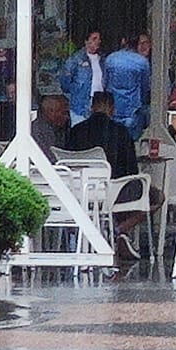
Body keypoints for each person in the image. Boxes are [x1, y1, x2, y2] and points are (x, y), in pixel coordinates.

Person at [63, 89, 154, 263]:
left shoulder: (76, 131)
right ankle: (119, 230)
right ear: (112, 108)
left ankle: (108, 231)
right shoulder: (120, 131)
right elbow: (131, 170)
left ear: (91, 107)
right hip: (115, 190)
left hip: (79, 192)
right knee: (154, 195)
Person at [103, 32, 154, 139]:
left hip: (113, 108)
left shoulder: (110, 58)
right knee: (132, 142)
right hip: (132, 110)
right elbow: (145, 88)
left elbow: (105, 83)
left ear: (123, 42)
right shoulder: (142, 62)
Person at [58, 30, 108, 122]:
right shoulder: (76, 59)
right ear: (86, 41)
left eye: (99, 39)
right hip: (81, 103)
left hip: (99, 102)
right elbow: (65, 81)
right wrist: (75, 92)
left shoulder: (103, 60)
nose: (98, 41)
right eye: (94, 39)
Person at [31, 92, 71, 160]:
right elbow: (50, 159)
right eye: (64, 113)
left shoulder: (60, 129)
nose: (67, 117)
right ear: (51, 111)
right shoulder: (37, 131)